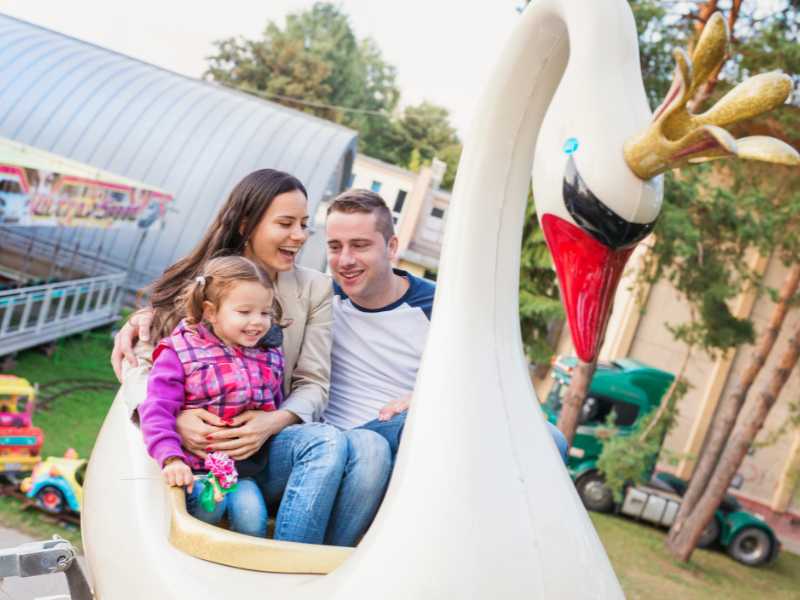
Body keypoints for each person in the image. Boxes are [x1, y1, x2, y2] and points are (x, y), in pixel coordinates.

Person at [112, 169, 391, 546]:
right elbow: (145, 368)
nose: (299, 236)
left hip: (268, 444)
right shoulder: (204, 285)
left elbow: (313, 381)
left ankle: (309, 566)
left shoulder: (313, 288)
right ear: (247, 224)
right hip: (202, 450)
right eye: (286, 223)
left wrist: (271, 422)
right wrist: (174, 418)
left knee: (363, 446)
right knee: (335, 445)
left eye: (305, 224)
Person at [320, 190, 569, 464]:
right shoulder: (316, 297)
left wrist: (426, 396)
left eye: (359, 245)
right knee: (414, 431)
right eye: (335, 247)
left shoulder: (441, 307)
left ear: (391, 247)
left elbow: (483, 381)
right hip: (353, 439)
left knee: (549, 440)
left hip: (417, 427)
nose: (345, 260)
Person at [139, 256, 283, 538]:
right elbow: (156, 409)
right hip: (194, 468)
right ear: (211, 312)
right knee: (210, 509)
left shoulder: (269, 355)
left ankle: (244, 575)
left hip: (241, 471)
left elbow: (274, 404)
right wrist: (171, 459)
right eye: (244, 312)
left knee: (253, 519)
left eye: (265, 313)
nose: (257, 322)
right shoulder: (180, 351)